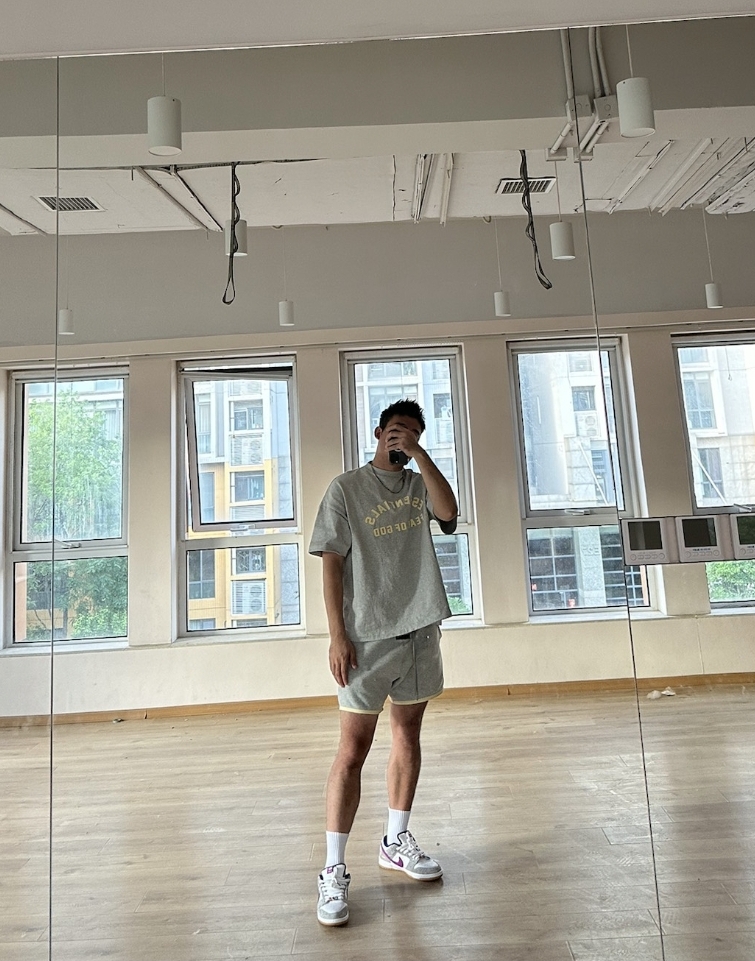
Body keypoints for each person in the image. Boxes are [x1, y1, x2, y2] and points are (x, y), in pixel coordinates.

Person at [308, 398, 459, 926]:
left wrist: (421, 455)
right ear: (377, 432)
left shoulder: (419, 484)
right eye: (395, 430)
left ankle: (396, 840)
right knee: (352, 749)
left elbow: (449, 513)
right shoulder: (346, 488)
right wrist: (337, 635)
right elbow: (331, 563)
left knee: (407, 736)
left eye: (411, 433)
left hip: (419, 631)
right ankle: (333, 869)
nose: (401, 438)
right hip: (366, 637)